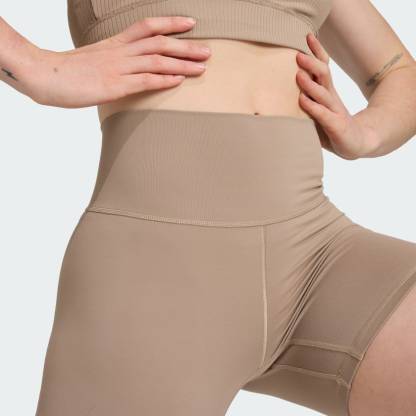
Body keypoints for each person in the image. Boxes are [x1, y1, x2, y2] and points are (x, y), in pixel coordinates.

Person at [1, 1, 415, 415]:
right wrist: (35, 66)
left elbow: (398, 72)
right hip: (154, 268)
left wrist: (366, 132)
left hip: (317, 255)